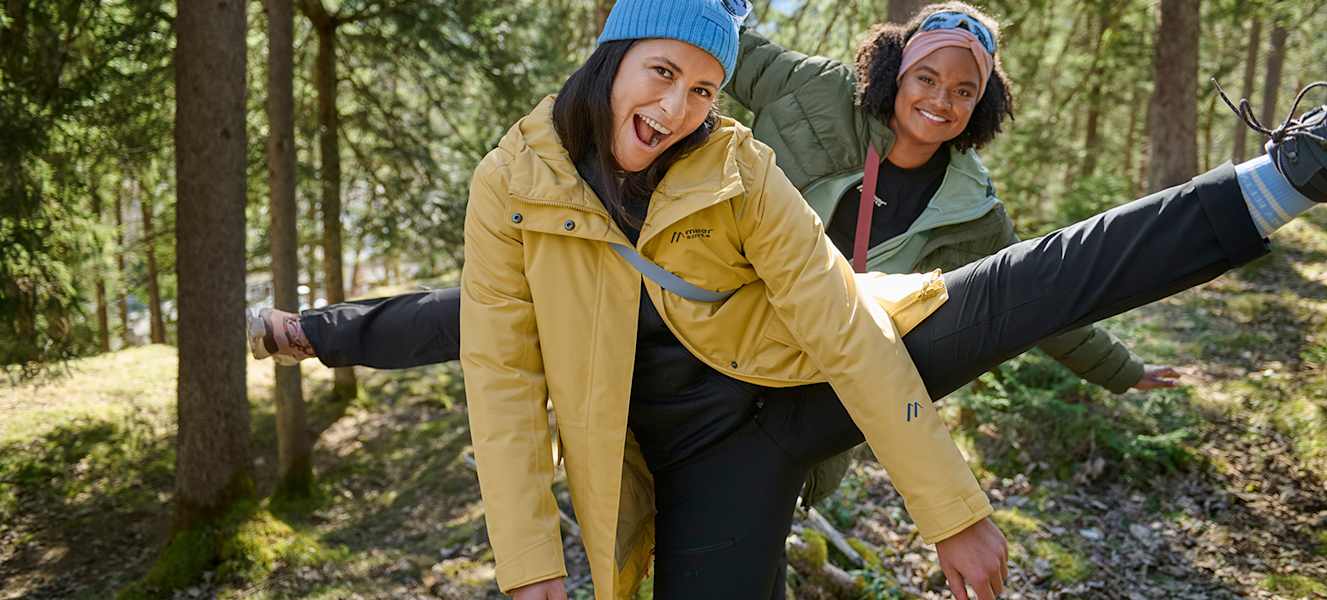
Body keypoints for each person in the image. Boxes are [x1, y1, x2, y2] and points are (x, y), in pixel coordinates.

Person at [277, 0, 1327, 597]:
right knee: (477, 328)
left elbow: (855, 322)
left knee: (1040, 275)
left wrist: (952, 506)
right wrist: (531, 561)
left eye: (701, 89)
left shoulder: (741, 162)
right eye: (662, 75)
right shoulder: (554, 175)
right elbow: (489, 361)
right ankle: (317, 329)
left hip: (808, 378)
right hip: (682, 454)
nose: (683, 107)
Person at [250, 2, 1180, 510]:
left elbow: (1037, 301)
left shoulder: (973, 210)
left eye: (962, 90)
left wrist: (1125, 374)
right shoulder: (816, 94)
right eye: (926, 75)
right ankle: (318, 332)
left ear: (981, 108)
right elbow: (722, 37)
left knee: (742, 499)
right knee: (506, 308)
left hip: (798, 370)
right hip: (700, 286)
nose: (938, 98)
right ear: (897, 71)